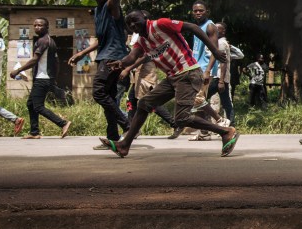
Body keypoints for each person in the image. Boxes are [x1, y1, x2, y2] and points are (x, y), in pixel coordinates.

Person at [101, 10, 239, 158]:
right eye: (129, 24)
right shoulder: (142, 42)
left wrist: (215, 51)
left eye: (135, 20)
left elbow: (194, 28)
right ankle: (124, 145)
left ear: (145, 18)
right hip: (172, 78)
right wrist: (121, 63)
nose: (133, 25)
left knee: (181, 118)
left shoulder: (160, 24)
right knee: (144, 103)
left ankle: (226, 131)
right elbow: (132, 56)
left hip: (188, 72)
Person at [68, 0, 130, 146]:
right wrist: (81, 53)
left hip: (113, 57)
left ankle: (127, 123)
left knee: (98, 92)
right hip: (105, 55)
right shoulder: (97, 11)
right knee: (108, 97)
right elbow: (100, 40)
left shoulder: (111, 7)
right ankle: (113, 138)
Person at [10, 18, 72, 139]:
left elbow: (34, 60)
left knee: (38, 106)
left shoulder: (43, 41)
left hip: (42, 78)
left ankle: (63, 123)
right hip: (46, 77)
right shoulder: (51, 41)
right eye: (35, 25)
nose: (37, 27)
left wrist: (18, 70)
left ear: (47, 27)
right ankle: (34, 132)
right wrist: (53, 78)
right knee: (30, 104)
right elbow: (57, 62)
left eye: (40, 25)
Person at [119, 30, 180, 139]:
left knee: (151, 103)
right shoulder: (140, 37)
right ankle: (132, 129)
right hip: (139, 77)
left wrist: (128, 69)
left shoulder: (145, 38)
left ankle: (174, 124)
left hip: (146, 77)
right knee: (132, 100)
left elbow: (144, 57)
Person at [187, 0, 226, 141]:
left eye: (201, 10)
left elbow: (215, 51)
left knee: (198, 99)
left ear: (207, 12)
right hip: (196, 67)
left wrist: (208, 71)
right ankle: (204, 132)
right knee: (199, 101)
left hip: (204, 68)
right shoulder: (197, 27)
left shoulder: (209, 26)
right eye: (195, 11)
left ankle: (221, 121)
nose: (198, 13)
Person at [214, 23, 235, 123]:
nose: (215, 31)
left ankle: (229, 124)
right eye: (214, 29)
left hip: (218, 78)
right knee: (226, 103)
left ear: (223, 31)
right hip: (218, 77)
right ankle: (230, 124)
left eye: (218, 29)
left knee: (201, 100)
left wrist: (221, 81)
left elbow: (223, 62)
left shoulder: (221, 43)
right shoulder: (216, 42)